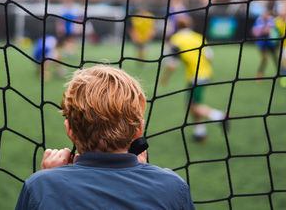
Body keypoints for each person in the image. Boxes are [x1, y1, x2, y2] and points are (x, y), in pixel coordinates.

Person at [16, 65, 195, 210]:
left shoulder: (40, 186)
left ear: (69, 129)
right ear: (139, 130)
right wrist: (146, 176)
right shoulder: (172, 187)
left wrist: (47, 178)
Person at [160, 15, 228, 143]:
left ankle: (219, 116)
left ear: (177, 26)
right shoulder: (198, 37)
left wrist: (164, 78)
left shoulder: (176, 39)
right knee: (194, 104)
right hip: (206, 74)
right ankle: (200, 132)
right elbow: (209, 57)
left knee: (191, 106)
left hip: (195, 77)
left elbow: (172, 64)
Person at [251, 8, 279, 81]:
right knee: (264, 59)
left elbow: (270, 30)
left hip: (271, 42)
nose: (265, 15)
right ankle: (260, 74)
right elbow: (254, 32)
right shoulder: (259, 20)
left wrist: (262, 31)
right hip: (262, 43)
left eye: (266, 13)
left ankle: (280, 73)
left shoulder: (272, 19)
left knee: (275, 58)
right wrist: (263, 31)